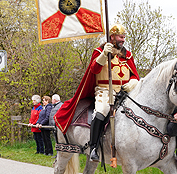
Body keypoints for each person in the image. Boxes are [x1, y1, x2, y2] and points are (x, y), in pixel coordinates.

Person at [55, 24, 140, 162]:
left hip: (124, 93)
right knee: (101, 111)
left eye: (124, 37)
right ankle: (94, 147)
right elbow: (94, 70)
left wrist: (132, 83)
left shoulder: (127, 55)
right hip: (105, 91)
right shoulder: (99, 51)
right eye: (120, 37)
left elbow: (135, 75)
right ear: (112, 37)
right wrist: (103, 55)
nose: (123, 40)